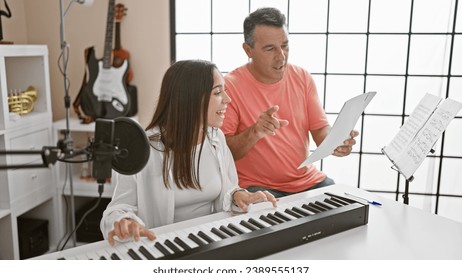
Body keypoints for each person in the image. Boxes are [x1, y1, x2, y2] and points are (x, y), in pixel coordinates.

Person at [100, 60, 278, 246]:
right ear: (191, 99)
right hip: (160, 247)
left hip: (210, 241)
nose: (227, 99)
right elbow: (117, 209)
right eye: (218, 92)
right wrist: (124, 222)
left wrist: (238, 195)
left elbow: (227, 189)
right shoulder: (144, 148)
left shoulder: (216, 139)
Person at [221, 7, 359, 198]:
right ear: (248, 50)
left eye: (285, 46)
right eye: (270, 49)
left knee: (346, 208)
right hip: (257, 187)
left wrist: (336, 142)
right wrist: (255, 131)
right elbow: (225, 153)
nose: (281, 56)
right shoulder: (229, 86)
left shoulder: (302, 77)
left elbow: (320, 130)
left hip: (308, 180)